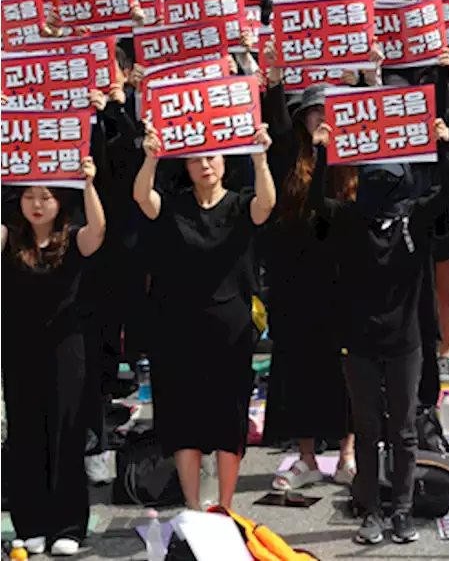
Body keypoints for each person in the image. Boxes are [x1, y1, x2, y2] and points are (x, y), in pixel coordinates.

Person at [309, 116, 449, 545]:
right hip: (359, 344)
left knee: (404, 431)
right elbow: (318, 201)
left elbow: (447, 192)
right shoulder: (350, 220)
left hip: (406, 342)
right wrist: (321, 152)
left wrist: (443, 147)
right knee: (368, 430)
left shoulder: (414, 220)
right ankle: (371, 511)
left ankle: (403, 511)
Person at [133, 121, 276, 510]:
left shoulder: (241, 202)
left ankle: (226, 506)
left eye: (212, 157)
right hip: (177, 325)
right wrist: (151, 157)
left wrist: (261, 160)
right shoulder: (174, 203)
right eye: (196, 160)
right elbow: (143, 199)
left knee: (229, 417)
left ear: (225, 160)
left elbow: (266, 206)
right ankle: (194, 506)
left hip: (230, 324)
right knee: (184, 420)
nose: (205, 166)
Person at [2, 158, 106, 558]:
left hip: (66, 347)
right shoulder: (9, 238)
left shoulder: (73, 238)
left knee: (66, 433)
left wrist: (89, 184)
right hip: (18, 347)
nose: (37, 204)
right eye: (29, 196)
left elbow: (99, 231)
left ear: (60, 202)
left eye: (46, 196)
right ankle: (30, 524)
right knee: (26, 436)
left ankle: (68, 526)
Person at [261, 81, 357, 491]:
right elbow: (278, 126)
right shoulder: (290, 155)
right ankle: (305, 457)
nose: (323, 118)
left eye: (329, 110)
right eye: (315, 111)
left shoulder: (352, 155)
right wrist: (277, 80)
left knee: (346, 367)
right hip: (295, 277)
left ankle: (348, 454)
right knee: (299, 366)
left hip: (342, 275)